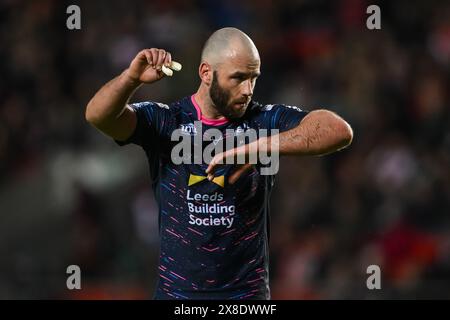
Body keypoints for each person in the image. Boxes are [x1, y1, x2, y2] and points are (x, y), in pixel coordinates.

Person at [85, 27, 353, 300]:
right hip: (177, 296)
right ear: (205, 73)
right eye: (238, 78)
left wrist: (257, 148)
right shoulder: (167, 121)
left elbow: (339, 131)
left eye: (253, 78)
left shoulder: (264, 121)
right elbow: (98, 116)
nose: (247, 90)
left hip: (246, 299)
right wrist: (131, 79)